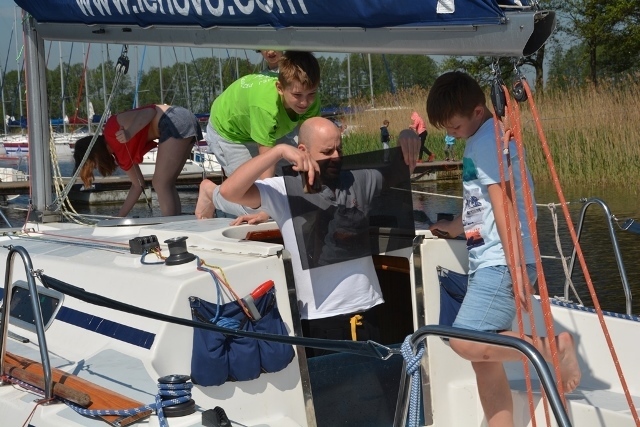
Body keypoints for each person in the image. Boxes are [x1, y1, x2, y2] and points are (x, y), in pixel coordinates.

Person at [426, 71, 580, 427]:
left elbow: (504, 206)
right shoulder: (483, 138)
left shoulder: (487, 142)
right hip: (494, 259)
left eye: (455, 126)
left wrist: (516, 269)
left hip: (501, 262)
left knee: (463, 341)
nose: (452, 133)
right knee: (484, 361)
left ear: (478, 112)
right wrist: (455, 227)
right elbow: (482, 207)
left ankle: (552, 348)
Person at [214, 117, 419, 355]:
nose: (336, 156)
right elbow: (229, 191)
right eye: (327, 151)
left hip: (367, 308)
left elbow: (400, 171)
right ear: (303, 150)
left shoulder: (360, 179)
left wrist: (407, 138)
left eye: (340, 149)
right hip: (319, 317)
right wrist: (278, 151)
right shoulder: (283, 190)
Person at [197, 51, 321, 220]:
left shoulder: (310, 98)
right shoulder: (266, 107)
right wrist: (266, 210)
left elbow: (310, 144)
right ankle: (210, 193)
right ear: (280, 88)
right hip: (230, 132)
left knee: (298, 188)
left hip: (264, 126)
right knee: (257, 203)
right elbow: (267, 161)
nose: (304, 102)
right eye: (297, 95)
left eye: (311, 94)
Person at [73, 104, 202, 217]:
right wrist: (119, 217)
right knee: (166, 183)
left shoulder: (111, 129)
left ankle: (171, 226)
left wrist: (129, 133)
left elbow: (150, 112)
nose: (96, 167)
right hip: (184, 121)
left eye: (92, 164)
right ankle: (176, 220)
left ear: (94, 153)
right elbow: (138, 185)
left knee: (160, 183)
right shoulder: (120, 156)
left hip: (173, 118)